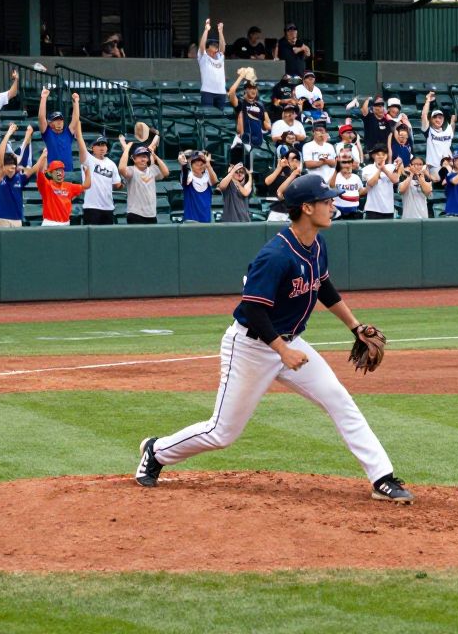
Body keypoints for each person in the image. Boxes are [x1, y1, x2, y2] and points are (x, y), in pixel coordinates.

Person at [134, 174, 414, 503]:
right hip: (252, 347)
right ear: (307, 208)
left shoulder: (317, 244)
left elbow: (323, 287)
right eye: (326, 201)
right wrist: (281, 350)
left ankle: (382, 477)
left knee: (338, 399)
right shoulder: (276, 256)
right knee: (222, 432)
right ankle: (157, 451)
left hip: (290, 343)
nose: (332, 204)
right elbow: (253, 311)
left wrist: (355, 326)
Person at [0, 124, 38, 228]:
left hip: (17, 219)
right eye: (8, 163)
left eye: (13, 164)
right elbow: (0, 157)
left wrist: (43, 156)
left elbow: (32, 169)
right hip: (1, 219)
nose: (11, 166)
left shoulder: (18, 177)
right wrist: (8, 133)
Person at [118, 134, 168, 224]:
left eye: (145, 156)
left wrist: (154, 155)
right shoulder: (131, 170)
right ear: (134, 158)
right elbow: (121, 169)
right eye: (140, 156)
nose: (143, 159)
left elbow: (166, 172)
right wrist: (126, 150)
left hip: (151, 214)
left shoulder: (152, 169)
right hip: (135, 214)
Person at [78, 130, 123, 225]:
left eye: (104, 145)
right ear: (92, 147)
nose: (102, 147)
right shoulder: (88, 159)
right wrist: (78, 128)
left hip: (108, 207)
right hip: (91, 207)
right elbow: (80, 143)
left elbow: (117, 184)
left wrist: (123, 184)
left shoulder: (111, 164)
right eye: (98, 145)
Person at [228, 69, 270, 167]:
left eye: (255, 88)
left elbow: (268, 125)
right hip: (242, 142)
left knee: (251, 172)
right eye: (250, 88)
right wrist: (241, 76)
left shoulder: (260, 105)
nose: (253, 90)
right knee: (236, 169)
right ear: (245, 90)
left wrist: (262, 124)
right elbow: (231, 93)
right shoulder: (241, 103)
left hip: (256, 141)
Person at [36, 151, 91, 226]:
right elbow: (40, 171)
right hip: (50, 224)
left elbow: (86, 186)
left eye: (61, 170)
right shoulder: (46, 185)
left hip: (66, 223)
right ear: (50, 173)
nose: (59, 173)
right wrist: (44, 156)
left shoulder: (69, 186)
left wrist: (87, 171)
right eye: (56, 170)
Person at [37, 87, 79, 171]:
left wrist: (76, 102)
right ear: (50, 123)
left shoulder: (68, 133)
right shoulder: (47, 132)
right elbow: (41, 117)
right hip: (53, 172)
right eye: (56, 120)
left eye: (61, 120)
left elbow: (75, 119)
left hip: (68, 173)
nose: (59, 122)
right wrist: (44, 97)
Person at [361, 144, 401, 219]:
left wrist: (384, 169)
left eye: (383, 154)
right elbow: (371, 183)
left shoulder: (391, 167)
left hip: (388, 209)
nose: (381, 157)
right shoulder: (367, 169)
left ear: (387, 156)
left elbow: (395, 180)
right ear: (373, 156)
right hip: (372, 208)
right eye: (378, 155)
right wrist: (380, 169)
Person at [419, 92, 454, 175]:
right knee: (446, 175)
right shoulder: (428, 130)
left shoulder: (448, 129)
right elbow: (424, 115)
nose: (438, 120)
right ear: (431, 119)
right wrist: (428, 101)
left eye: (440, 117)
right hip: (434, 166)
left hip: (448, 163)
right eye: (435, 118)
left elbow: (453, 119)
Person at [179, 149, 218, 223]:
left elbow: (214, 181)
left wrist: (208, 164)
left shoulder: (207, 177)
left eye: (201, 164)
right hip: (191, 221)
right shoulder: (189, 177)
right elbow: (184, 177)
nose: (200, 166)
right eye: (197, 164)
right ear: (191, 165)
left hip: (206, 220)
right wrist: (183, 165)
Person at [197, 18, 227, 111]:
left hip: (221, 92)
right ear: (208, 47)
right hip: (207, 91)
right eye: (213, 45)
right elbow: (202, 45)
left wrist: (220, 31)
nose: (216, 47)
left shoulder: (220, 56)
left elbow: (223, 47)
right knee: (208, 116)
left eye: (216, 45)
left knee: (221, 117)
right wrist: (206, 30)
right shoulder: (204, 57)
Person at [265, 147, 301, 222]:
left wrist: (293, 174)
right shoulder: (277, 172)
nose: (293, 161)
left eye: (295, 159)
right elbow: (267, 181)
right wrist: (279, 168)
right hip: (276, 210)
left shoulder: (298, 176)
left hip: (292, 212)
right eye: (290, 159)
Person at [331, 152, 364, 220]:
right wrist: (336, 170)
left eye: (349, 163)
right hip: (338, 207)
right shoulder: (335, 176)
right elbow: (331, 186)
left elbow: (361, 191)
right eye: (344, 163)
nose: (347, 165)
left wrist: (352, 197)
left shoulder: (356, 177)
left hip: (353, 208)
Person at [399, 155, 432, 219]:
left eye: (420, 164)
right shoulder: (404, 177)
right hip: (408, 216)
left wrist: (419, 177)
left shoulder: (426, 178)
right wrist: (411, 174)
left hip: (423, 216)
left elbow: (427, 192)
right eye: (415, 164)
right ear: (410, 165)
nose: (417, 166)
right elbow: (402, 190)